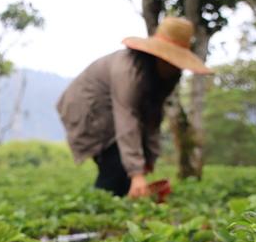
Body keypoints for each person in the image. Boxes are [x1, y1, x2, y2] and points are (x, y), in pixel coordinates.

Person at [56, 17, 212, 198]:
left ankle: (119, 207)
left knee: (126, 172)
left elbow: (153, 119)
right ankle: (94, 211)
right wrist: (137, 174)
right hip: (88, 110)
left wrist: (149, 159)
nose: (175, 67)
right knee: (115, 165)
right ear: (159, 56)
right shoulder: (128, 71)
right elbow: (126, 120)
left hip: (115, 116)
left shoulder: (157, 79)